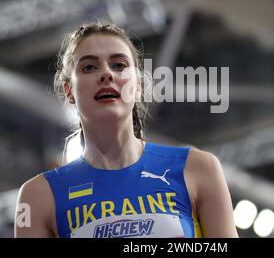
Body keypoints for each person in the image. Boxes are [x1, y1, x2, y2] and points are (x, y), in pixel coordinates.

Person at [15, 22, 238, 238]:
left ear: (137, 86)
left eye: (119, 65)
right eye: (89, 67)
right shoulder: (38, 197)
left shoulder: (197, 168)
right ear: (69, 91)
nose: (106, 74)